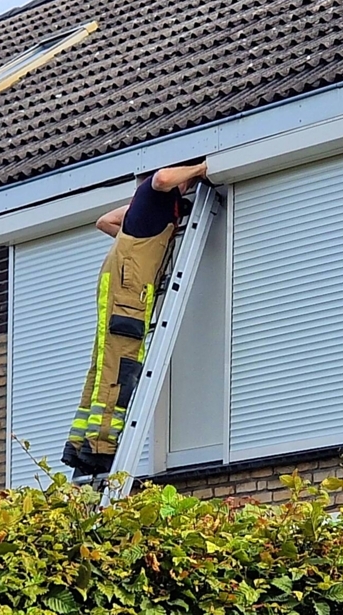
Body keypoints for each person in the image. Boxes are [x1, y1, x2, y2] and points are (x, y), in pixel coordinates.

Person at [61, 160, 210, 477]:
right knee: (121, 362)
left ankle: (80, 447)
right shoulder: (157, 192)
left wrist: (134, 236)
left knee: (104, 362)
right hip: (128, 290)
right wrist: (201, 168)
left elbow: (105, 222)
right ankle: (100, 447)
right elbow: (163, 178)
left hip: (118, 284)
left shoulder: (144, 205)